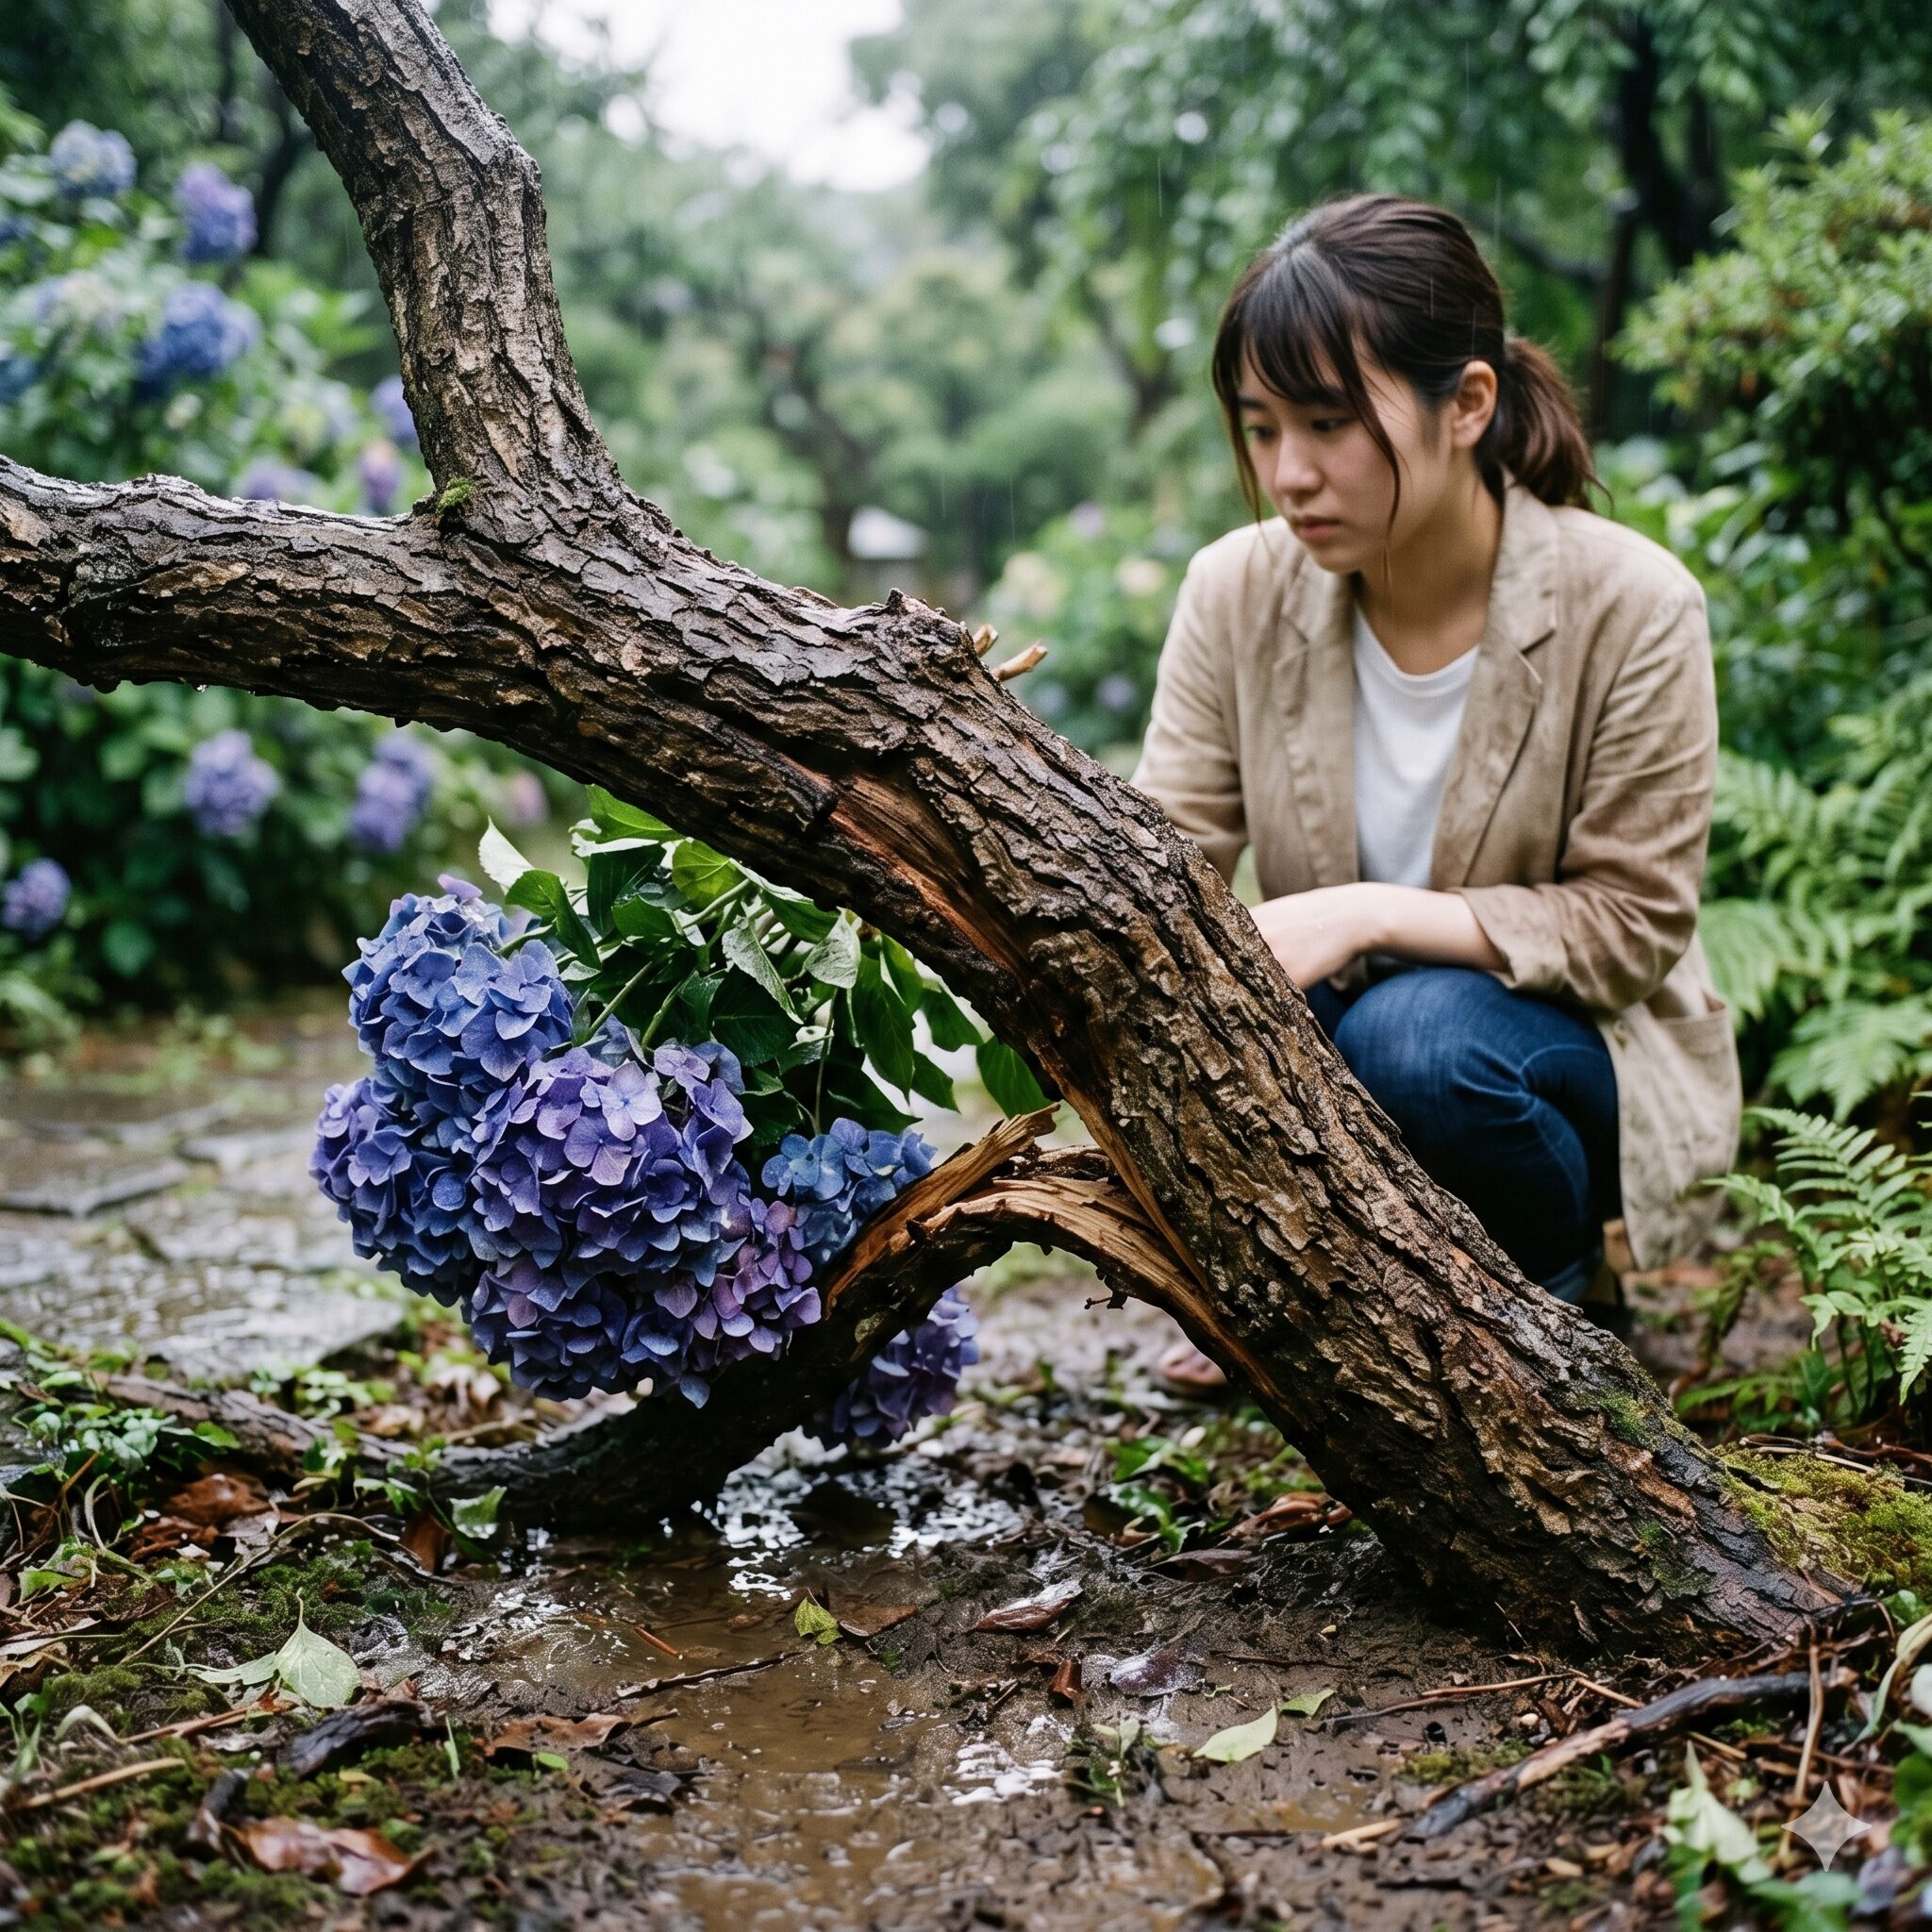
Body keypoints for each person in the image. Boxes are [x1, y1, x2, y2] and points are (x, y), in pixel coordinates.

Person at [1129, 193, 1742, 1391]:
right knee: (1223, 1003)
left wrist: (1368, 909)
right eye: (1259, 429)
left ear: (1465, 404)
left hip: (1558, 1049)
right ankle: (1299, 1306)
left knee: (1414, 1037)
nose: (1288, 473)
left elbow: (1631, 926)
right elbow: (1163, 859)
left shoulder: (1629, 604)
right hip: (1338, 1040)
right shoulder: (1235, 593)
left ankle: (1544, 1309)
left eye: (1326, 423)